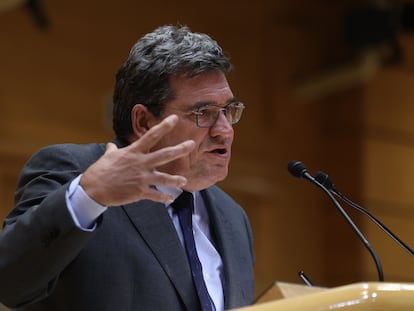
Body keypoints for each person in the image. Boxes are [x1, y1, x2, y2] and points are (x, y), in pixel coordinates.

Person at [0, 25, 255, 311]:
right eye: (203, 113)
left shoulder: (233, 216)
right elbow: (9, 283)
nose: (224, 131)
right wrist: (90, 195)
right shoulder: (76, 172)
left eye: (228, 111)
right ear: (144, 122)